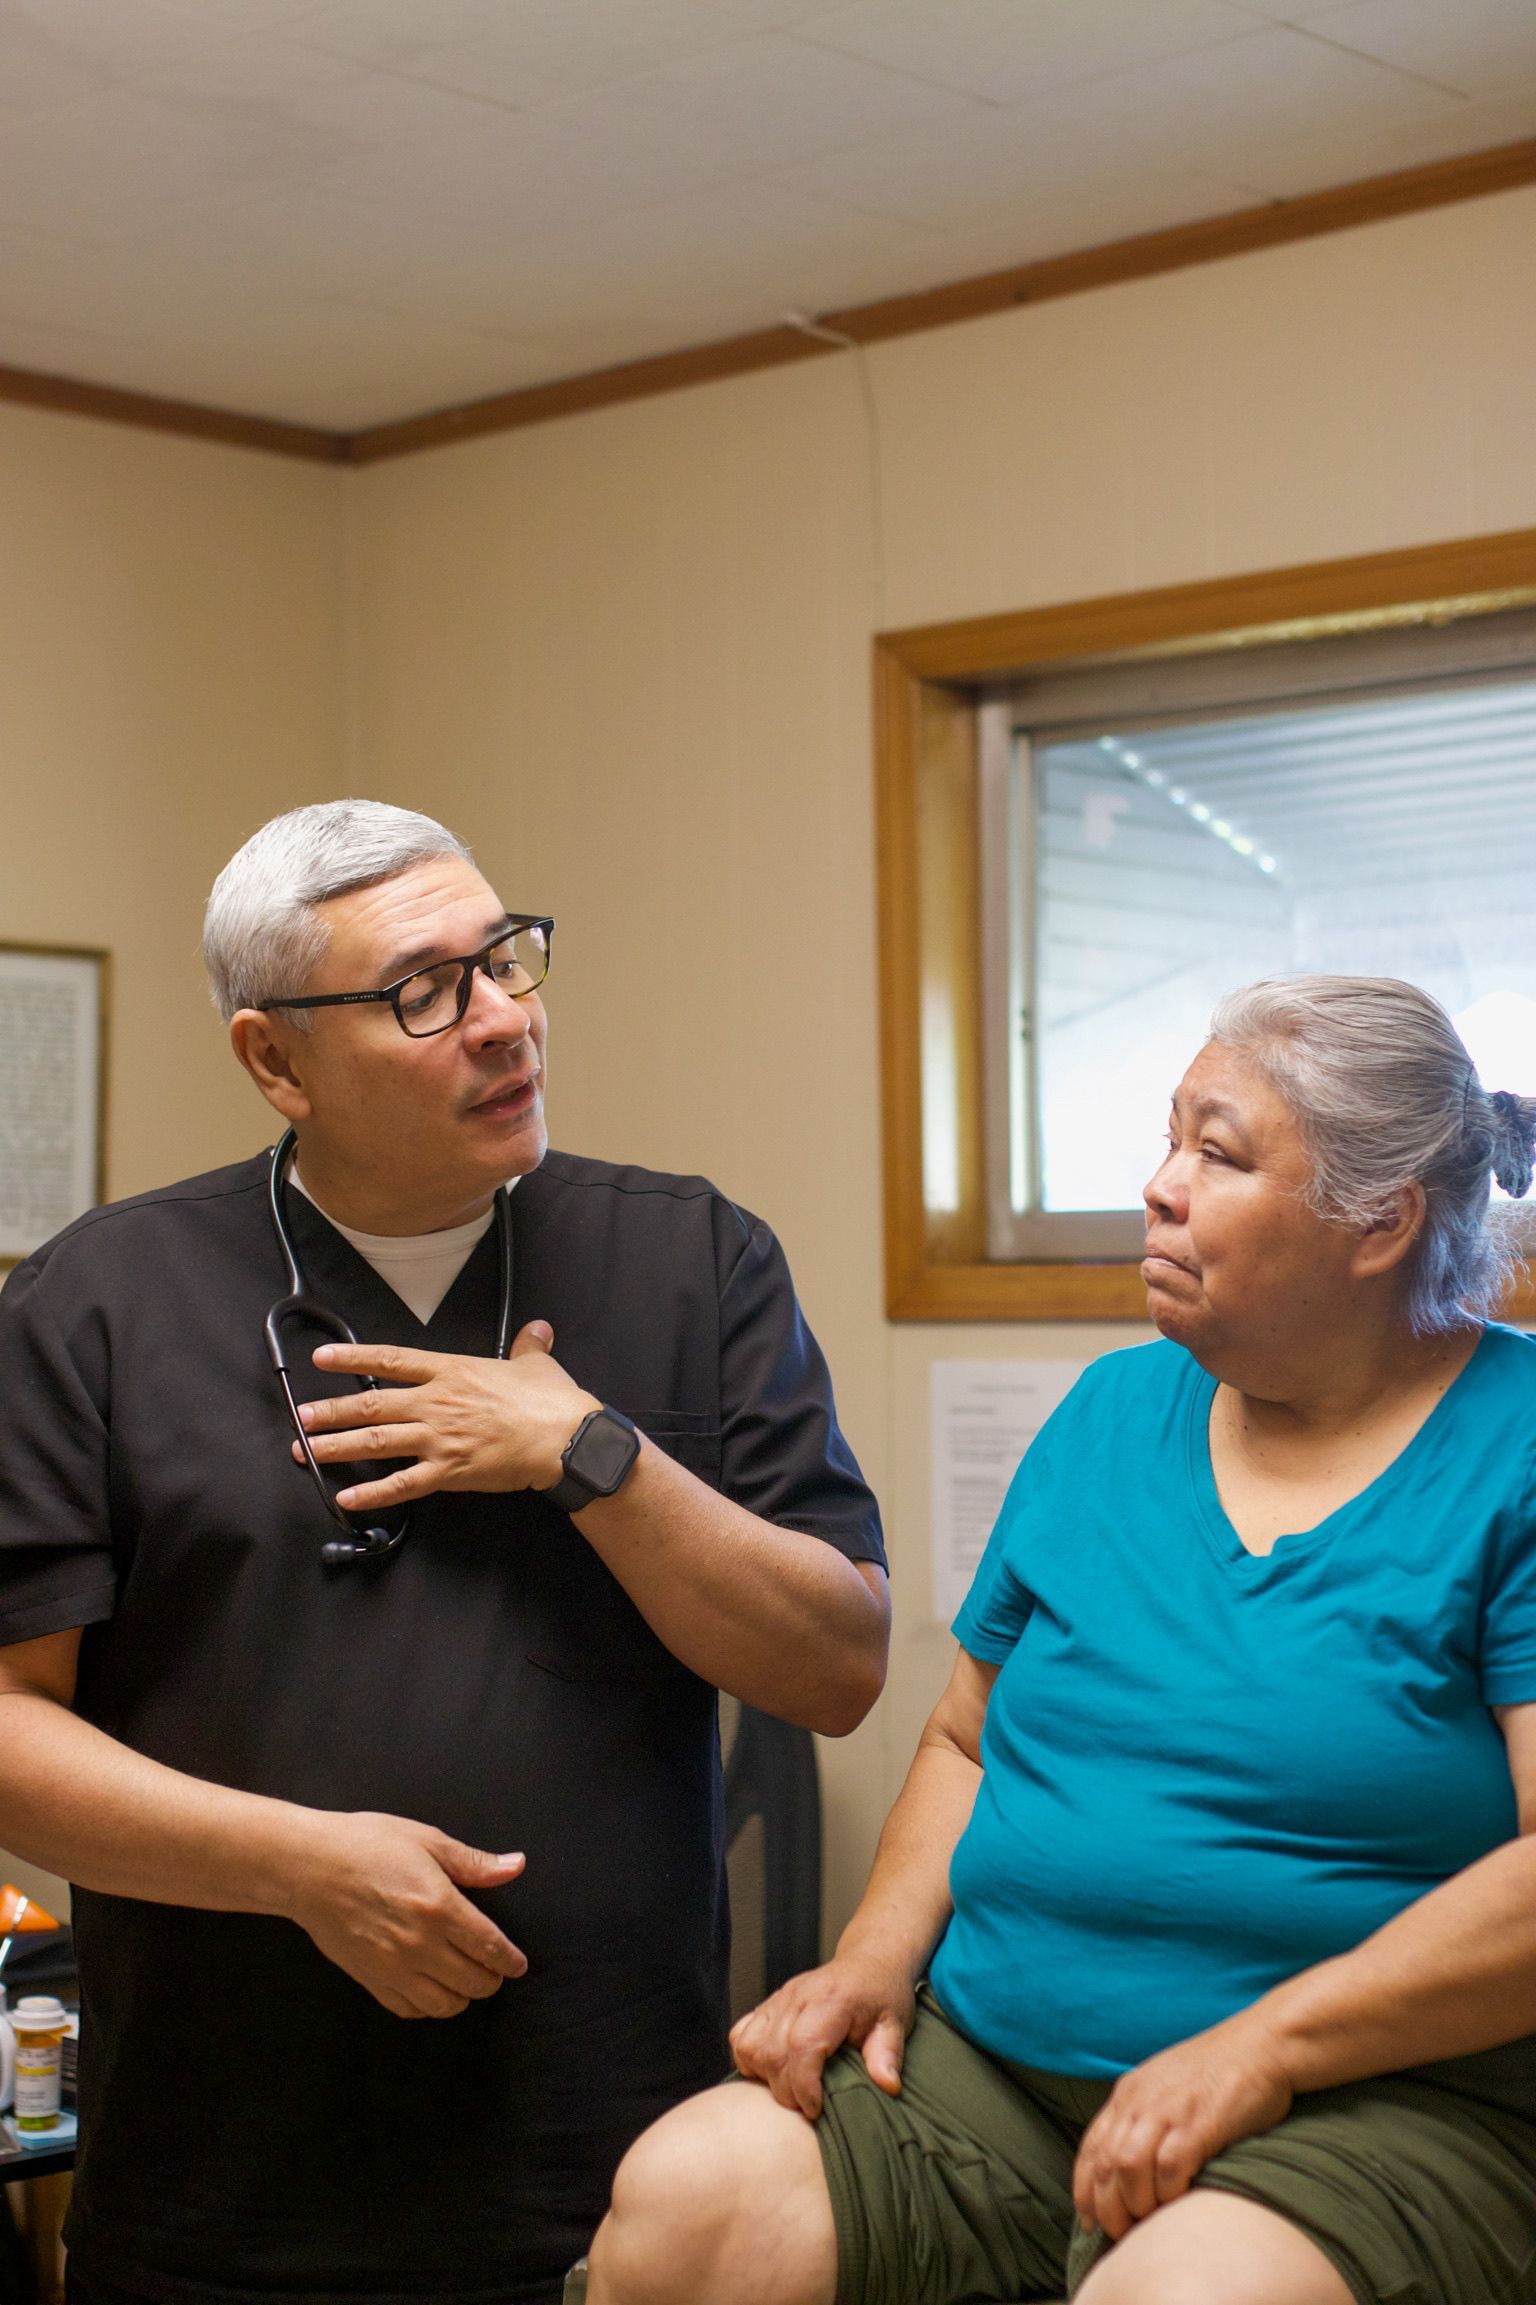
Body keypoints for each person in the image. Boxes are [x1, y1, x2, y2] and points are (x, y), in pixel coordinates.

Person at [0, 799, 890, 2305]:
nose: (501, 1022)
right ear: (274, 1059)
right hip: (224, 2184)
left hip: (611, 2171)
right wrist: (300, 1867)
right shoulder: (106, 1299)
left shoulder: (693, 1259)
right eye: (425, 990)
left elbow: (840, 1666)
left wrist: (588, 1453)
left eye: (507, 961)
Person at [588, 975, 1536, 2305]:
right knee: (683, 2205)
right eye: (1167, 1137)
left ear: (1381, 1222)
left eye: (1218, 1151)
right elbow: (967, 1738)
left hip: (1366, 2102)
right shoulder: (1108, 1411)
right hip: (1000, 2076)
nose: (1158, 1185)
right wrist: (867, 1961)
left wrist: (1260, 2048)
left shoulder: (1517, 1448)